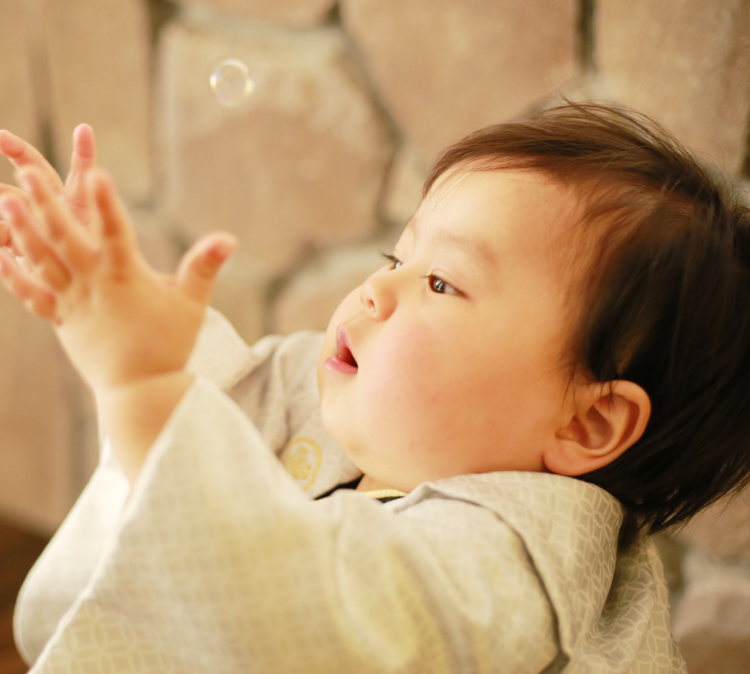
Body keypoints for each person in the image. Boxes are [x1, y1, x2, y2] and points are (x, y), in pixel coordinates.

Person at [1, 102, 748, 673]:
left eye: (440, 282)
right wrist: (120, 302)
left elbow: (307, 621)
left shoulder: (510, 572)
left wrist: (139, 379)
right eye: (397, 253)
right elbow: (235, 396)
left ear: (588, 424)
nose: (376, 291)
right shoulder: (378, 416)